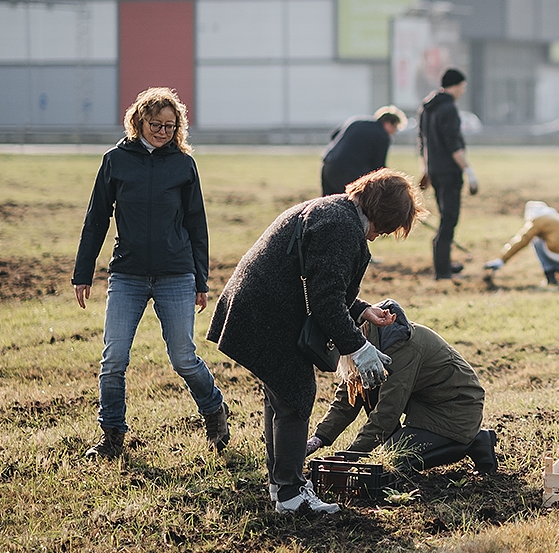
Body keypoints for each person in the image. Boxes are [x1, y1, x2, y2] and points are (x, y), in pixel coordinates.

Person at [208, 169, 424, 515]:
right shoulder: (341, 226)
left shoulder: (335, 211)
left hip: (259, 309)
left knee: (283, 397)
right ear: (381, 212)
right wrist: (360, 348)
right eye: (385, 227)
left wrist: (362, 310)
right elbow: (324, 301)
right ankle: (292, 496)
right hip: (266, 315)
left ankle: (282, 487)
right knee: (295, 397)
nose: (379, 235)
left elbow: (320, 285)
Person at [73, 87, 229, 460]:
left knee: (183, 357)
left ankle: (214, 411)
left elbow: (197, 224)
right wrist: (83, 273)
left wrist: (201, 280)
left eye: (170, 126)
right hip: (127, 274)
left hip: (176, 273)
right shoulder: (115, 160)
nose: (162, 131)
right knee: (113, 358)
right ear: (138, 121)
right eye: (155, 124)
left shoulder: (184, 165)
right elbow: (96, 220)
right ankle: (111, 436)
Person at [307, 299, 496, 474]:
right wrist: (318, 438)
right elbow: (349, 398)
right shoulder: (367, 340)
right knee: (368, 390)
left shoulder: (400, 346)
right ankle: (447, 438)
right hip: (426, 406)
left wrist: (352, 455)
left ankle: (473, 441)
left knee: (391, 460)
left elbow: (388, 410)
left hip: (455, 412)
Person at [419, 68, 479, 279]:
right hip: (450, 172)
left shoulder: (427, 108)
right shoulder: (449, 109)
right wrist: (468, 170)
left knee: (445, 216)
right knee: (450, 218)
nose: (463, 90)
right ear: (456, 85)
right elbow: (453, 144)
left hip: (434, 170)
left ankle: (443, 263)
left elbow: (423, 143)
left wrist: (425, 170)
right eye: (462, 86)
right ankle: (443, 271)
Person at [484, 200, 559, 286]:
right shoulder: (555, 217)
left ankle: (550, 276)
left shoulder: (538, 221)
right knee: (544, 241)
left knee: (536, 242)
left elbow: (523, 239)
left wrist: (502, 259)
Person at [320, 106, 407, 196]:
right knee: (350, 203)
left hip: (328, 163)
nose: (394, 132)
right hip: (348, 171)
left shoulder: (356, 121)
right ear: (388, 124)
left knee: (326, 203)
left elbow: (334, 135)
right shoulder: (382, 136)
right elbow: (378, 167)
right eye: (395, 128)